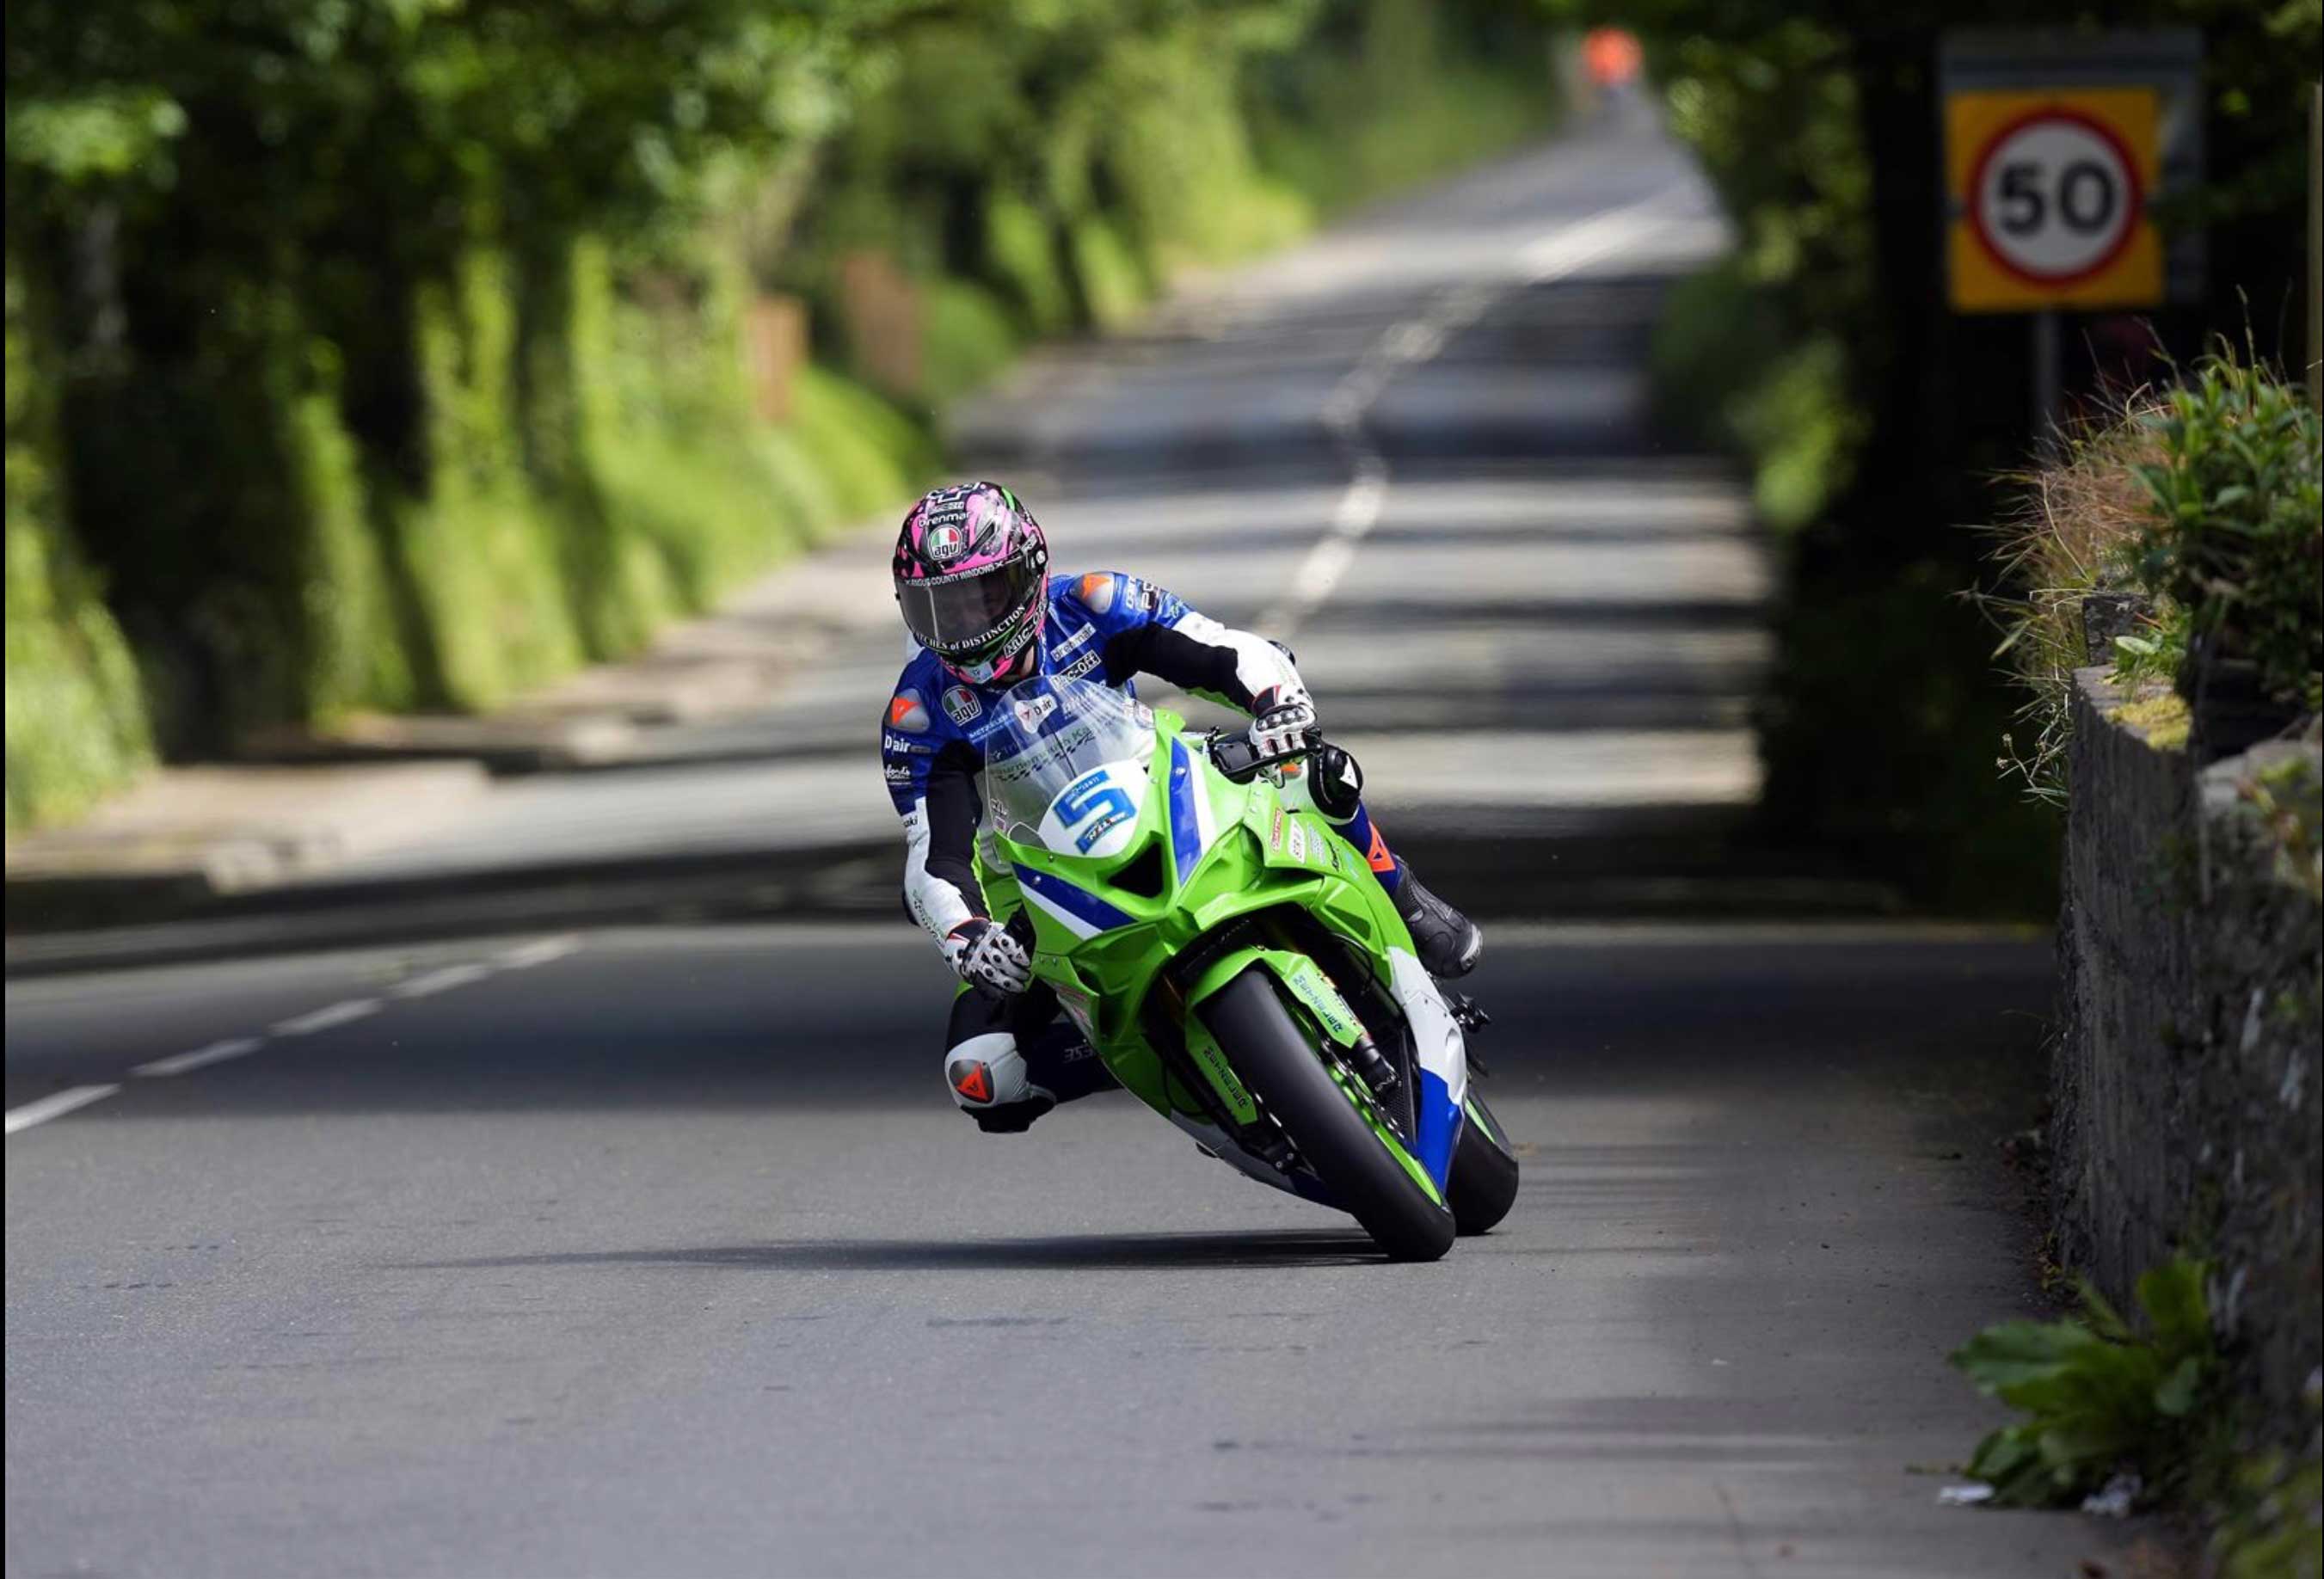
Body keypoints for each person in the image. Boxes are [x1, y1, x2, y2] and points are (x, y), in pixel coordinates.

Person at [881, 481, 1482, 1133]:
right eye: (939, 608)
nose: (963, 625)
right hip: (1037, 896)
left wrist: (1277, 704)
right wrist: (967, 937)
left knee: (1319, 772)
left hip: (1161, 791)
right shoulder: (919, 713)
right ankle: (1156, 1053)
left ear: (1029, 572)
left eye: (981, 596)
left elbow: (1222, 648)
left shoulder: (1094, 603)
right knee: (979, 1075)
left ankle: (1402, 896)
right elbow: (934, 861)